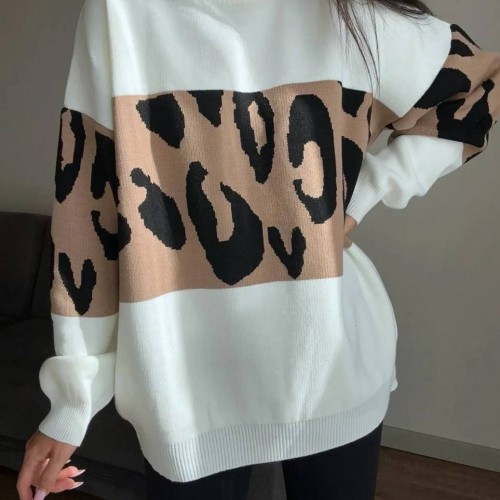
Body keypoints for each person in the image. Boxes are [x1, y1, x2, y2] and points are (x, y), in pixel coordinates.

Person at [16, 0, 500, 499]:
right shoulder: (122, 12)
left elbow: (480, 85)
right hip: (186, 396)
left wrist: (360, 198)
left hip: (336, 372)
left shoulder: (347, 13)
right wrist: (73, 400)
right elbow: (87, 211)